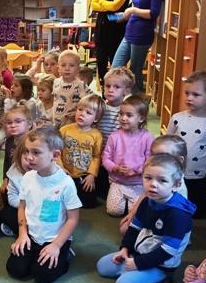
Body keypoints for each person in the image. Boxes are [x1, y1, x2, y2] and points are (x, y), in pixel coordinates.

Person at [96, 154, 195, 283]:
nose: (153, 184)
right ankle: (135, 273)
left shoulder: (178, 215)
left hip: (161, 265)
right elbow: (134, 229)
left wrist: (137, 263)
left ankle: (162, 280)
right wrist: (125, 249)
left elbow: (166, 252)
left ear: (176, 185)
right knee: (102, 266)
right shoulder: (146, 202)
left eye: (162, 180)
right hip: (140, 253)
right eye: (148, 178)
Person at [7, 127, 82, 283]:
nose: (29, 157)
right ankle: (36, 255)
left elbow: (73, 219)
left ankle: (65, 254)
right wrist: (22, 234)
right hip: (31, 235)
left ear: (55, 155)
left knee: (42, 276)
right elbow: (22, 207)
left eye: (36, 152)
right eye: (27, 151)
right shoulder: (28, 177)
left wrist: (56, 245)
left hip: (55, 239)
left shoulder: (66, 183)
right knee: (15, 269)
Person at [167, 70, 206, 218]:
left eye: (196, 95)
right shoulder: (176, 118)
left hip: (198, 178)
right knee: (171, 207)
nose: (189, 98)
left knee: (197, 213)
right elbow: (165, 145)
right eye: (187, 93)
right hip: (175, 173)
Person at [113, 0, 165, 93]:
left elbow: (153, 13)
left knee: (135, 71)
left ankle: (137, 102)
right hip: (130, 32)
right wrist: (125, 14)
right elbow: (137, 5)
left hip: (142, 35)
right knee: (116, 67)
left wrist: (133, 10)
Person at [119, 134, 188, 234]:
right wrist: (132, 213)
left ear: (180, 160)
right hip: (152, 211)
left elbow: (177, 217)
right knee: (124, 229)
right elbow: (145, 194)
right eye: (154, 155)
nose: (157, 160)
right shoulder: (155, 173)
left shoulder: (178, 186)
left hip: (166, 221)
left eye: (164, 156)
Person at [102, 93, 153, 216]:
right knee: (114, 211)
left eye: (129, 115)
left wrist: (137, 171)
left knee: (136, 213)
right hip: (117, 181)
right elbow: (106, 158)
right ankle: (123, 201)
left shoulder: (147, 137)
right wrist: (115, 168)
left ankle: (131, 203)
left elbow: (151, 161)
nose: (123, 118)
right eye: (121, 114)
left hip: (138, 183)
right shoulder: (114, 136)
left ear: (141, 118)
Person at [91, 0, 133, 84]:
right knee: (100, 61)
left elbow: (116, 6)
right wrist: (107, 4)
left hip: (116, 26)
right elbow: (93, 4)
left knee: (116, 63)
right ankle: (104, 89)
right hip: (101, 25)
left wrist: (102, 2)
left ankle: (117, 89)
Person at [60, 94, 104, 209]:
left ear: (96, 118)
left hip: (84, 176)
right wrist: (60, 168)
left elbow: (96, 156)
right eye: (80, 109)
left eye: (88, 113)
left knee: (88, 203)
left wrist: (92, 175)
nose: (82, 114)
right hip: (64, 173)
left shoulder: (96, 135)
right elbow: (56, 151)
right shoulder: (64, 130)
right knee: (62, 199)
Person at [97, 67, 134, 199]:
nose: (110, 90)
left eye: (116, 87)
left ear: (126, 91)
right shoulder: (100, 107)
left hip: (117, 153)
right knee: (101, 187)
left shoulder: (127, 111)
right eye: (107, 86)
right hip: (100, 151)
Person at [0, 136, 31, 237]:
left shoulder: (43, 171)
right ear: (19, 157)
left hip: (41, 211)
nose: (30, 162)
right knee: (6, 213)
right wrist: (25, 205)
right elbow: (12, 197)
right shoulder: (14, 172)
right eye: (26, 159)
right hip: (21, 208)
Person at [52, 49, 90, 126]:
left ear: (78, 69)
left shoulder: (81, 85)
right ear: (58, 68)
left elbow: (91, 102)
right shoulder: (56, 82)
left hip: (71, 124)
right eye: (63, 65)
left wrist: (78, 112)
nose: (67, 68)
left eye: (71, 65)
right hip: (56, 122)